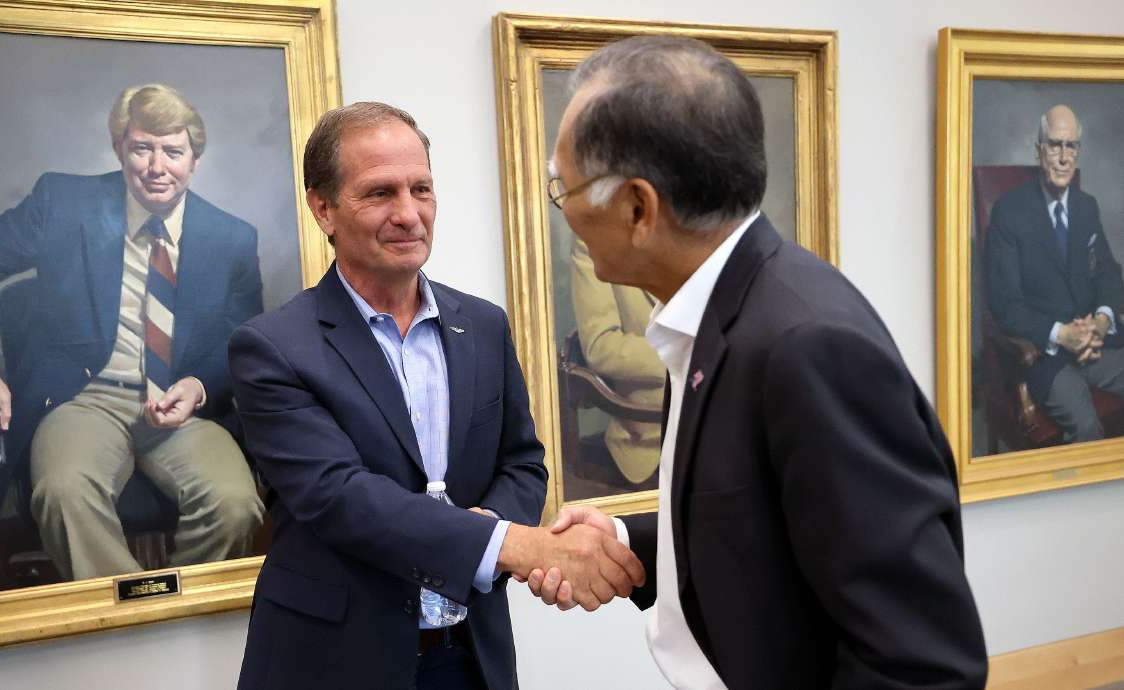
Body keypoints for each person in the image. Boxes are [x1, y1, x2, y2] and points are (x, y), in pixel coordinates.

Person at [526, 36, 988, 689]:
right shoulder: (716, 315)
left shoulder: (807, 347)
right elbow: (762, 520)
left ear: (637, 208)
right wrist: (628, 543)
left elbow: (922, 664)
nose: (564, 208)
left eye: (563, 187)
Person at [228, 102, 643, 690]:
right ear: (323, 208)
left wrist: (493, 526)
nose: (408, 213)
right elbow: (340, 497)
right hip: (335, 661)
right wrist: (508, 544)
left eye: (421, 188)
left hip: (470, 655)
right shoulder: (272, 348)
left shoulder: (483, 325)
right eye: (379, 193)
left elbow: (521, 461)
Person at [0, 83, 265, 581]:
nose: (157, 166)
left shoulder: (232, 237)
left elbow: (244, 339)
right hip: (83, 398)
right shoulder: (63, 204)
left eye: (173, 151)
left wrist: (197, 386)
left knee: (236, 504)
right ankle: (129, 625)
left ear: (195, 159)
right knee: (63, 494)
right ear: (119, 149)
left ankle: (175, 622)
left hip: (180, 405)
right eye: (142, 147)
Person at [986, 104, 1124, 443]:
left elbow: (1108, 274)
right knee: (1087, 429)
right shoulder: (1009, 212)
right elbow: (1005, 304)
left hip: (1094, 344)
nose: (1064, 157)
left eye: (1072, 145)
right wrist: (1063, 335)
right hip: (1046, 357)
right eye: (1055, 144)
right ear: (1039, 151)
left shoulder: (1086, 206)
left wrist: (1101, 324)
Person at [569, 237, 665, 487]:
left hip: (733, 432)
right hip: (648, 444)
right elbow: (601, 346)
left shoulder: (709, 218)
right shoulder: (593, 240)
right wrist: (690, 356)